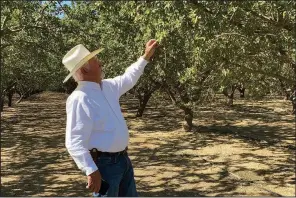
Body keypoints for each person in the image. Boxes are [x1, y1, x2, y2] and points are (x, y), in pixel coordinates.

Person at [62, 39, 158, 197]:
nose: (100, 63)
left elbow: (129, 77)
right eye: (95, 61)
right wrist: (91, 170)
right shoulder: (80, 98)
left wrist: (145, 57)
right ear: (84, 70)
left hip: (123, 160)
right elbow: (73, 141)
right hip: (105, 165)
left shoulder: (107, 86)